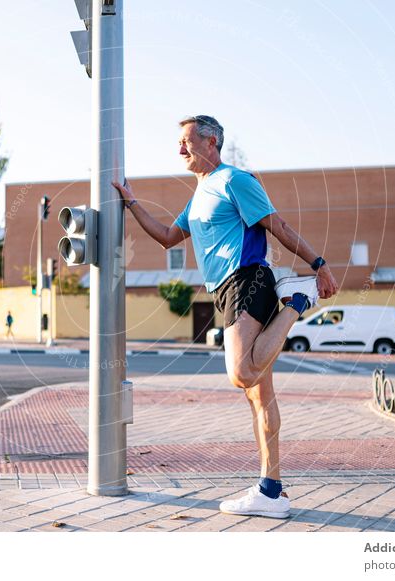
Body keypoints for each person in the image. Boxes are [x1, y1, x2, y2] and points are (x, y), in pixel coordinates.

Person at [113, 115, 339, 518]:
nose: (179, 149)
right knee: (259, 395)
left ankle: (297, 301)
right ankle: (272, 491)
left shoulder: (234, 180)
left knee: (240, 374)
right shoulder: (198, 196)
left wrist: (318, 263)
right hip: (227, 289)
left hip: (247, 278)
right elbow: (167, 237)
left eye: (186, 141)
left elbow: (278, 225)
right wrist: (130, 203)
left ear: (211, 141)